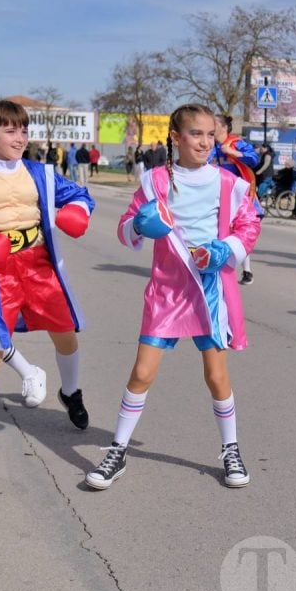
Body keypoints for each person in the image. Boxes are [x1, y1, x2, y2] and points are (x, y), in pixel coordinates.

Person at [87, 103, 261, 490]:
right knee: (142, 373)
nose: (204, 141)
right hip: (166, 290)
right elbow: (125, 228)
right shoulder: (154, 181)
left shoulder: (230, 184)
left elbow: (249, 225)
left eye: (209, 134)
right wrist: (138, 224)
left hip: (209, 290)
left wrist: (224, 249)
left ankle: (231, 449)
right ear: (176, 137)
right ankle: (117, 450)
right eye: (195, 134)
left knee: (216, 377)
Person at [0, 100, 95, 457]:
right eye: (11, 130)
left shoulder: (41, 172)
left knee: (65, 332)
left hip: (38, 263)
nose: (20, 137)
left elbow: (81, 194)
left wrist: (77, 211)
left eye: (24, 130)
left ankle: (70, 392)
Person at [210, 113, 260, 285]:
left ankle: (247, 271)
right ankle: (218, 266)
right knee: (218, 231)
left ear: (224, 127)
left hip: (239, 196)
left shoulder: (236, 143)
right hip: (217, 195)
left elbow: (254, 159)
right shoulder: (210, 145)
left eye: (214, 124)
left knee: (240, 231)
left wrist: (233, 152)